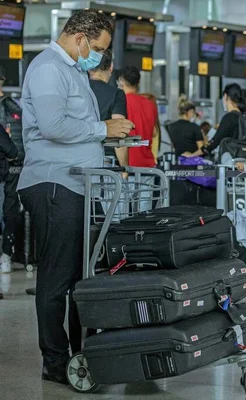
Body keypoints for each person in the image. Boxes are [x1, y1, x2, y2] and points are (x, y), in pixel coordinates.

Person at [17, 10, 134, 384]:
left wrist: (109, 135)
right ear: (80, 38)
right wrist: (102, 127)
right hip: (54, 184)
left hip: (79, 184)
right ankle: (55, 361)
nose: (98, 57)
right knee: (57, 279)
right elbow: (51, 126)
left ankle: (80, 351)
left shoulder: (75, 71)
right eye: (97, 48)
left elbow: (75, 127)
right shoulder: (49, 68)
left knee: (82, 277)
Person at [118, 66, 159, 211]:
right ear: (138, 83)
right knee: (144, 213)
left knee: (122, 212)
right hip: (147, 164)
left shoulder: (121, 101)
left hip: (127, 165)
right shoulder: (150, 104)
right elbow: (154, 132)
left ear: (121, 81)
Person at [0, 65, 24, 274]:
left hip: (9, 169)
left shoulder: (12, 109)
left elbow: (16, 148)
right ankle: (6, 254)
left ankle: (6, 254)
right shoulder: (14, 108)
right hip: (10, 167)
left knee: (9, 210)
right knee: (9, 210)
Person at [88, 49, 128, 167]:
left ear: (90, 68)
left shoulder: (79, 90)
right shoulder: (116, 94)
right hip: (106, 161)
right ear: (111, 67)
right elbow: (118, 132)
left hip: (79, 158)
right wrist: (124, 167)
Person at [202, 83, 246, 158]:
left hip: (230, 161)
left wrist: (193, 155)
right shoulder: (244, 117)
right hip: (244, 160)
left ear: (226, 96)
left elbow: (214, 142)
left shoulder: (229, 118)